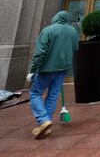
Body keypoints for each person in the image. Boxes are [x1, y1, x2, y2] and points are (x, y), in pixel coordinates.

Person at [27, 11, 79, 139]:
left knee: (35, 93)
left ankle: (44, 120)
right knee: (53, 95)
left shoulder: (48, 30)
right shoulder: (73, 31)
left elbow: (40, 53)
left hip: (47, 69)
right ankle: (46, 124)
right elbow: (76, 48)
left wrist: (32, 70)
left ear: (56, 18)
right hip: (63, 68)